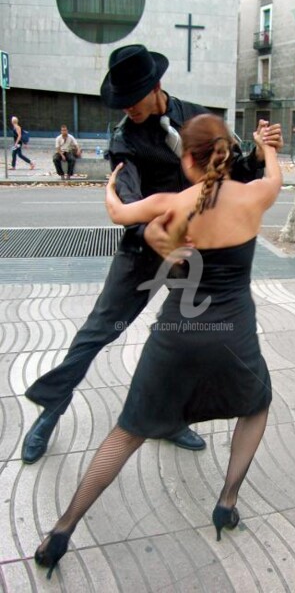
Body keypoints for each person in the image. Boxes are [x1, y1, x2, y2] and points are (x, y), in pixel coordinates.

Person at [34, 113, 282, 579]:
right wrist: (264, 145)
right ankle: (227, 502)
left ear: (187, 159)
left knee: (128, 431)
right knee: (257, 404)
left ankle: (62, 530)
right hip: (234, 335)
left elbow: (117, 212)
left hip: (176, 337)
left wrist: (113, 185)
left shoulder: (170, 204)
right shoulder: (255, 196)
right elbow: (275, 175)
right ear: (225, 153)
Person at [22, 44, 283, 464]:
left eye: (134, 99)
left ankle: (171, 421)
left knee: (183, 335)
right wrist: (155, 233)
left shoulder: (200, 117)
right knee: (99, 330)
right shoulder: (124, 138)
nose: (128, 108)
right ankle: (51, 409)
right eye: (121, 102)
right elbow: (126, 195)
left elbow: (235, 173)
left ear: (157, 86)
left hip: (199, 252)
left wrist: (257, 153)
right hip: (146, 248)